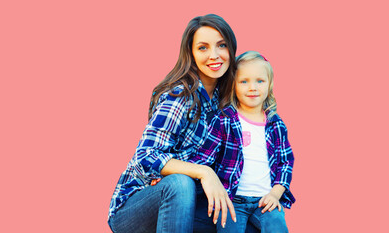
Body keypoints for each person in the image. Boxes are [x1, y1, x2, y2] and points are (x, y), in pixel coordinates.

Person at [108, 14, 239, 233]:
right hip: (136, 208)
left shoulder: (222, 100)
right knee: (181, 184)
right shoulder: (181, 96)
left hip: (187, 206)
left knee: (243, 217)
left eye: (221, 45)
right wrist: (205, 172)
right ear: (191, 54)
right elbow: (147, 155)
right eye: (203, 48)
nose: (214, 55)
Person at [188, 51, 296, 233]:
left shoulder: (276, 124)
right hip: (232, 200)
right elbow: (203, 157)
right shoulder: (224, 120)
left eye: (259, 81)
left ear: (269, 85)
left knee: (277, 226)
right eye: (244, 81)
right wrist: (172, 174)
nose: (252, 87)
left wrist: (275, 194)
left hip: (265, 200)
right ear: (234, 86)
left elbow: (286, 162)